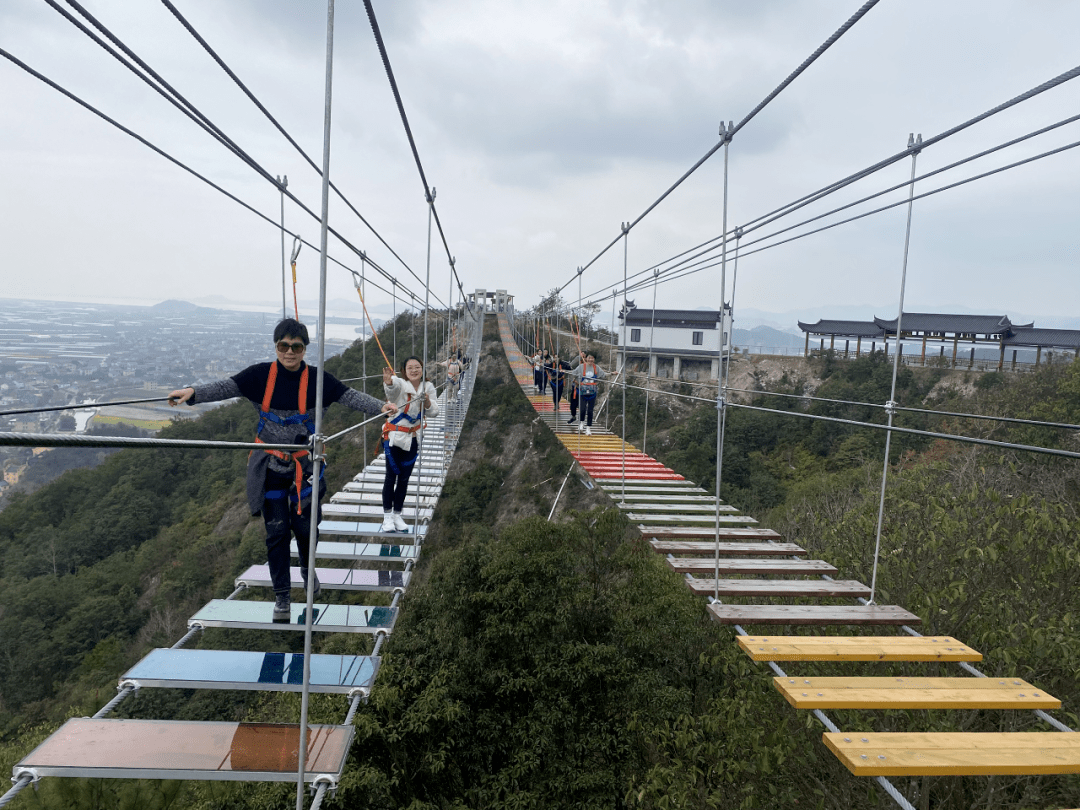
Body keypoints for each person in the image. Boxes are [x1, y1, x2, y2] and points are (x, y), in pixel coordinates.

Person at [168, 318, 390, 622]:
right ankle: (282, 597)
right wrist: (192, 393)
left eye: (296, 346)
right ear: (276, 347)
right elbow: (226, 387)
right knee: (276, 534)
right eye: (283, 346)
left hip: (305, 468)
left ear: (304, 349)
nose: (289, 352)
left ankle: (306, 568)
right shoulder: (260, 376)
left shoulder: (317, 379)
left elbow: (348, 396)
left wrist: (382, 407)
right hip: (271, 466)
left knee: (305, 529)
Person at [381, 356, 439, 533]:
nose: (414, 370)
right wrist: (389, 382)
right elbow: (392, 392)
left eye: (417, 367)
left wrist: (428, 402)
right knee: (391, 477)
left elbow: (434, 412)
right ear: (404, 371)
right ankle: (387, 517)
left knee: (404, 479)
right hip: (395, 437)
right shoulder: (400, 383)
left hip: (413, 438)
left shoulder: (428, 387)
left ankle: (397, 514)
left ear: (422, 369)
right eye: (410, 368)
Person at [570, 353, 607, 435]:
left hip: (592, 392)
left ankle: (588, 428)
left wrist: (612, 373)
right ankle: (581, 423)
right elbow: (573, 373)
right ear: (586, 358)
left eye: (592, 358)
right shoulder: (581, 367)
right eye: (589, 358)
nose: (591, 360)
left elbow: (603, 375)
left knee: (590, 411)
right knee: (582, 409)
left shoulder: (596, 368)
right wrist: (576, 381)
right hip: (583, 392)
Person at [566, 351, 583, 426]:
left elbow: (599, 374)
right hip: (576, 389)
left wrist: (611, 373)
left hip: (584, 390)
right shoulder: (578, 365)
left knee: (582, 406)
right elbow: (571, 368)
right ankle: (573, 416)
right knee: (573, 405)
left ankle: (581, 421)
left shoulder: (591, 368)